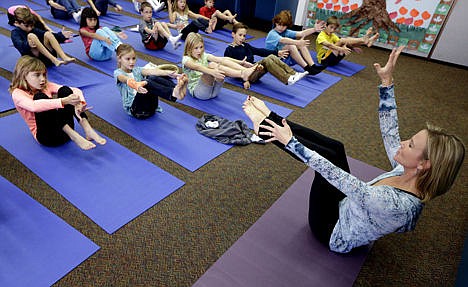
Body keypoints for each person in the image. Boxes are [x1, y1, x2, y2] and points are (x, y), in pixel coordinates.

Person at [242, 46, 465, 253]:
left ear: (424, 164)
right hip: (349, 205)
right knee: (336, 148)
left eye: (411, 144)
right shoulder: (408, 171)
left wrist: (290, 143)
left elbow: (339, 178)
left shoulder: (399, 206)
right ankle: (270, 120)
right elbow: (390, 132)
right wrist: (387, 84)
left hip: (330, 229)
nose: (403, 142)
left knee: (327, 163)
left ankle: (266, 128)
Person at [9, 55, 106, 150]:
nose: (42, 79)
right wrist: (63, 101)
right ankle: (74, 136)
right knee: (40, 98)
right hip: (48, 138)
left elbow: (74, 90)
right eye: (37, 75)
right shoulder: (17, 93)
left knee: (65, 90)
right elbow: (34, 106)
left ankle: (87, 128)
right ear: (23, 76)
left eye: (43, 74)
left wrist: (79, 103)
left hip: (64, 130)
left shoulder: (46, 85)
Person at [224, 22, 308, 89]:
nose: (242, 38)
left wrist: (277, 53)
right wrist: (245, 80)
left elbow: (260, 51)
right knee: (267, 60)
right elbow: (227, 68)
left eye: (244, 36)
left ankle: (293, 74)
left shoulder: (246, 46)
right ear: (233, 34)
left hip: (254, 69)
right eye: (240, 35)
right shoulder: (229, 50)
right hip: (245, 75)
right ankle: (287, 79)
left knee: (271, 56)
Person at [114, 44, 187, 119]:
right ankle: (173, 93)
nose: (132, 62)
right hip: (138, 111)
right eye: (128, 59)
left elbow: (152, 71)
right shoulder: (118, 73)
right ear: (119, 59)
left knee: (152, 77)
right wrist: (135, 84)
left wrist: (169, 73)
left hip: (152, 107)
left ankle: (177, 90)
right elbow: (123, 78)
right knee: (145, 82)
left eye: (133, 58)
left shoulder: (137, 70)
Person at [182, 32, 260, 99]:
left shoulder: (203, 55)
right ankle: (242, 74)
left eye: (201, 47)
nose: (199, 50)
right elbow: (197, 67)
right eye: (196, 48)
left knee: (216, 63)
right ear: (189, 48)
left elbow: (223, 59)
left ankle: (244, 71)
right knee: (212, 65)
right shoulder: (186, 60)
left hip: (214, 91)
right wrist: (212, 72)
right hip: (200, 93)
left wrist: (241, 62)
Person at [265, 10, 326, 75]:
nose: (281, 28)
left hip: (285, 58)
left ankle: (312, 65)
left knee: (301, 45)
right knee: (292, 45)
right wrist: (297, 42)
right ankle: (307, 68)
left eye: (284, 26)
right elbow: (283, 40)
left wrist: (314, 29)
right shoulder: (272, 34)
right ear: (276, 23)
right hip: (273, 61)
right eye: (279, 24)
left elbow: (301, 33)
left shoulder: (286, 31)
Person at [11, 7, 76, 67]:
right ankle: (54, 60)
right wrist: (28, 44)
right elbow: (20, 46)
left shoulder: (33, 29)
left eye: (31, 25)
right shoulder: (15, 33)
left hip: (46, 59)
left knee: (48, 34)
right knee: (31, 36)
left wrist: (61, 35)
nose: (30, 28)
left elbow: (47, 34)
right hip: (34, 61)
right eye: (27, 26)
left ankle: (64, 57)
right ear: (16, 23)